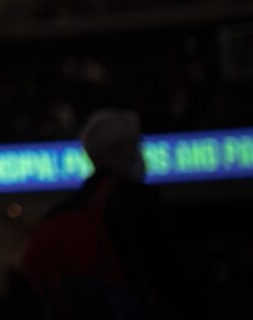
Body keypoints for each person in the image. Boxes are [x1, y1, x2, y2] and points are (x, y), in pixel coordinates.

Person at [20, 109, 197, 318]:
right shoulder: (133, 201)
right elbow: (166, 276)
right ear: (119, 150)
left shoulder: (55, 217)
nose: (140, 153)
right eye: (137, 145)